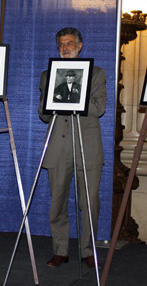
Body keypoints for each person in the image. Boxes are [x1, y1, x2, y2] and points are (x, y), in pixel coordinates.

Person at [38, 27, 106, 269]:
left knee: (89, 203)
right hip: (58, 146)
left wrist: (77, 91)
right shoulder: (48, 76)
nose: (65, 48)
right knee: (57, 202)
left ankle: (88, 251)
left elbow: (99, 108)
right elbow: (43, 116)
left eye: (69, 44)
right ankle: (60, 250)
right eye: (61, 45)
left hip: (87, 147)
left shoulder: (96, 74)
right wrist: (51, 100)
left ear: (79, 46)